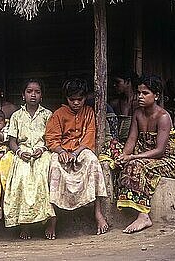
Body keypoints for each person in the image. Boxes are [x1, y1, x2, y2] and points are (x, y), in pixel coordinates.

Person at [100, 75, 175, 234]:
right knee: (110, 147)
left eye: (145, 93)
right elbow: (131, 139)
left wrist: (132, 157)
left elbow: (159, 151)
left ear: (156, 95)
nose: (141, 97)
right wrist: (124, 155)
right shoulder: (138, 113)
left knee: (135, 165)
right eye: (139, 93)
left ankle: (144, 216)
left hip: (164, 160)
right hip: (141, 153)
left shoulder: (163, 117)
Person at [45, 78, 108, 237]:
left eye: (79, 99)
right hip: (62, 151)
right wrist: (61, 152)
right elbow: (51, 139)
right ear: (66, 99)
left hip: (82, 149)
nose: (76, 103)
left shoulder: (89, 112)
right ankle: (52, 218)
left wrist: (76, 152)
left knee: (93, 161)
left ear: (85, 98)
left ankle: (98, 213)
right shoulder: (58, 114)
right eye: (72, 99)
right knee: (53, 166)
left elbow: (90, 135)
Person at [3, 80, 56, 239]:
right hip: (23, 152)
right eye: (29, 91)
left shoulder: (48, 114)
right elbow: (12, 141)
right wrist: (19, 152)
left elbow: (51, 139)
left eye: (37, 92)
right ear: (23, 95)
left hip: (43, 151)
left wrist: (43, 149)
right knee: (22, 175)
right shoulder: (16, 116)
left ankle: (51, 220)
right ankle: (25, 223)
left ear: (42, 96)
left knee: (43, 175)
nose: (33, 95)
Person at [109, 71, 140, 142]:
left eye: (117, 82)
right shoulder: (115, 103)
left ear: (128, 82)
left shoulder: (140, 102)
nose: (114, 85)